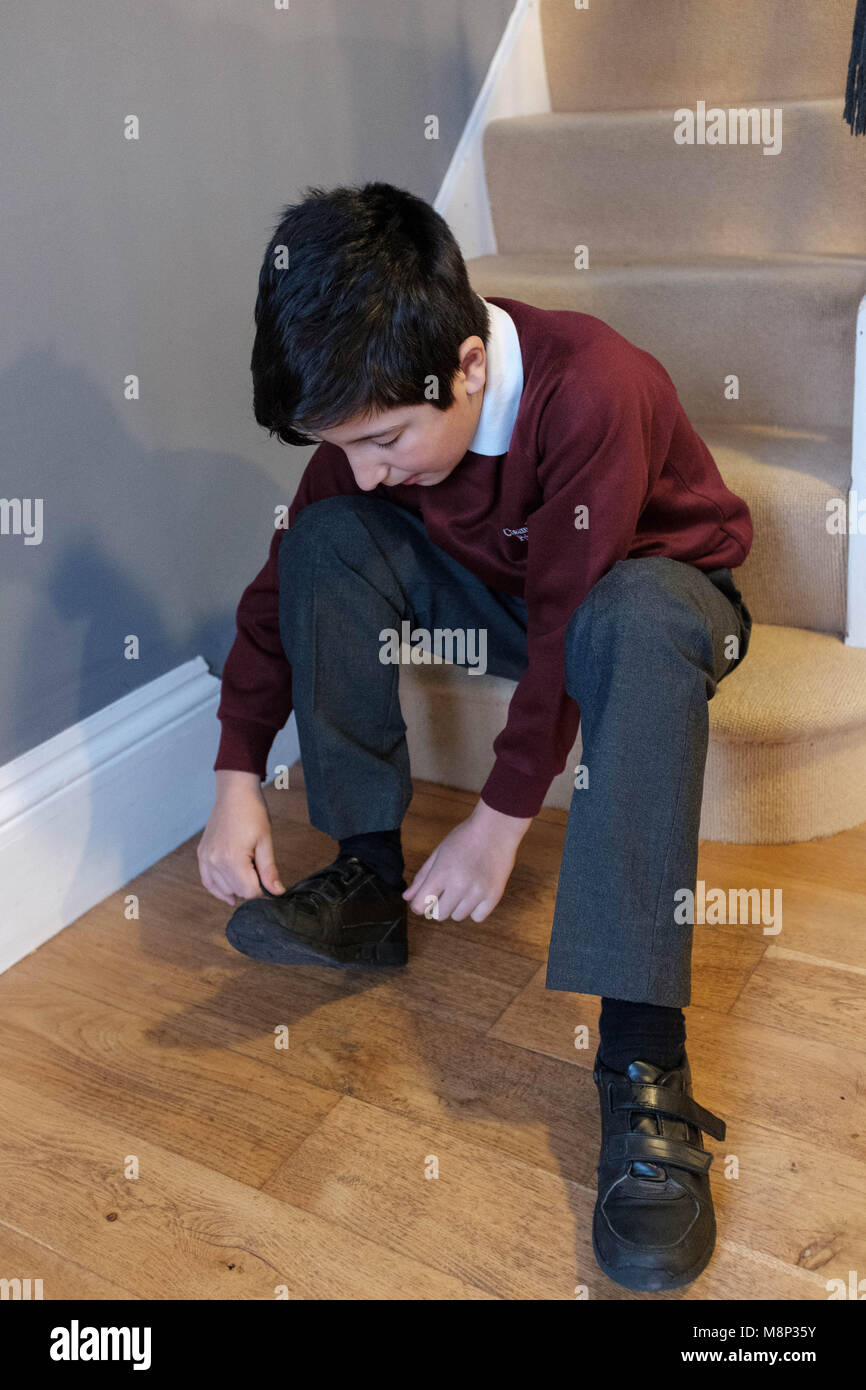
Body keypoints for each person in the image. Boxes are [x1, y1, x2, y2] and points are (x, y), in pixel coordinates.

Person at [197, 181, 754, 1293]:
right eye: (341, 444)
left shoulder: (595, 388)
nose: (366, 466)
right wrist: (235, 769)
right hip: (502, 589)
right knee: (324, 540)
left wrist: (503, 817)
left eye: (386, 439)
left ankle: (643, 1063)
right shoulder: (371, 422)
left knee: (629, 616)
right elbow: (278, 593)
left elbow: (566, 620)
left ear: (463, 366)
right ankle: (364, 880)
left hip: (657, 600)